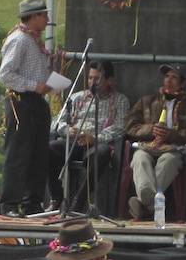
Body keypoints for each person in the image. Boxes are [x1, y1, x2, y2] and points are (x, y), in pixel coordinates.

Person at [0, 0, 58, 217]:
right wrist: (35, 85)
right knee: (18, 152)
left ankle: (33, 201)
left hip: (36, 101)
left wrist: (50, 81)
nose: (47, 19)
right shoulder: (19, 40)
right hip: (21, 100)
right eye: (44, 15)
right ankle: (10, 203)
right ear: (33, 16)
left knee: (38, 152)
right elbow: (6, 74)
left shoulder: (34, 41)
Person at [125, 64, 186, 221]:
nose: (168, 81)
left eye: (174, 77)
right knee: (139, 158)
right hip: (149, 146)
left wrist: (171, 134)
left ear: (183, 83)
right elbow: (130, 125)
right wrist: (151, 130)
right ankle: (152, 205)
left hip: (173, 149)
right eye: (166, 76)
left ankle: (144, 205)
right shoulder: (147, 101)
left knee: (168, 161)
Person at [48, 59, 129, 213]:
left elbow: (120, 128)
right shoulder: (76, 97)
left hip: (96, 143)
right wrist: (68, 130)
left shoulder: (120, 100)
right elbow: (56, 123)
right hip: (73, 141)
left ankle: (79, 201)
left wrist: (95, 138)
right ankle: (56, 198)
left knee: (103, 153)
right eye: (90, 78)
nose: (93, 82)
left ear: (109, 81)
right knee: (49, 148)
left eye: (97, 79)